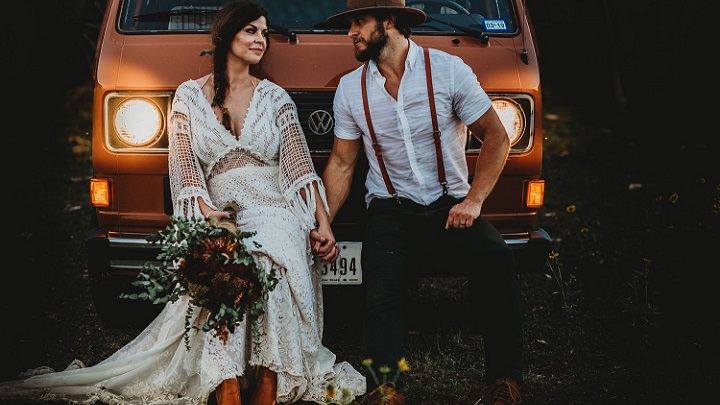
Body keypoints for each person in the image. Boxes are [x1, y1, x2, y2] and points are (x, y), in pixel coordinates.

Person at [0, 2, 365, 404]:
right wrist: (207, 212)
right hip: (222, 206)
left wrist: (323, 224)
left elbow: (298, 169)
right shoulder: (188, 99)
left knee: (269, 252)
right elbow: (185, 170)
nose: (261, 40)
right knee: (227, 257)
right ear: (227, 37)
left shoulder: (276, 98)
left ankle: (268, 378)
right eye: (251, 31)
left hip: (274, 205)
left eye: (263, 33)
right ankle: (226, 379)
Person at [321, 1, 524, 404]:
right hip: (389, 210)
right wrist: (324, 222)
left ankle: (503, 382)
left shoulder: (448, 70)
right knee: (380, 286)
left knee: (498, 258)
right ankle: (385, 388)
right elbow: (342, 164)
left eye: (358, 22)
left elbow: (497, 136)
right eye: (350, 25)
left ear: (390, 22)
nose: (351, 33)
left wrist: (474, 200)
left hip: (449, 205)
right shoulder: (350, 88)